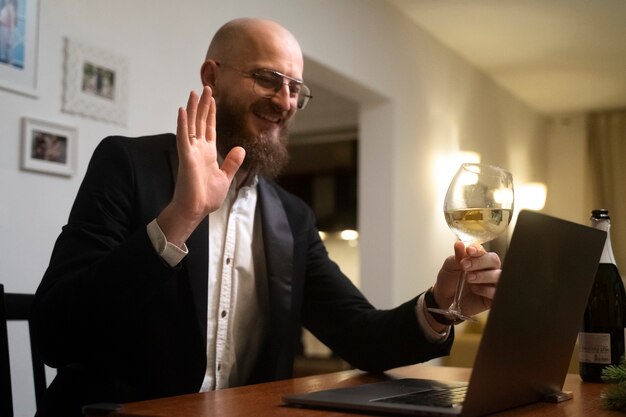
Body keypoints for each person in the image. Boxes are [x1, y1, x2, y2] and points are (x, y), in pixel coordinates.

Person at [31, 18, 501, 417]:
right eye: (268, 78)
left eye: (295, 88)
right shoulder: (127, 165)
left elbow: (362, 336)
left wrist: (440, 304)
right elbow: (56, 333)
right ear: (211, 76)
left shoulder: (292, 217)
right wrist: (180, 218)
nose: (285, 101)